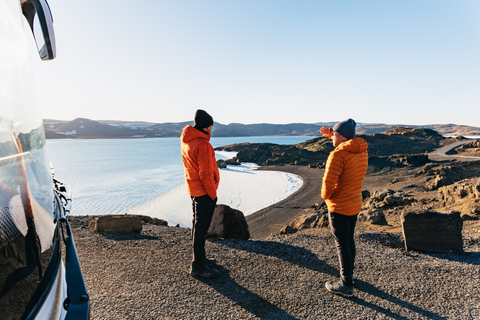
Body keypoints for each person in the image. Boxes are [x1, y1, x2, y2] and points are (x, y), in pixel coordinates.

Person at [320, 118, 368, 297]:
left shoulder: (337, 155)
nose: (332, 137)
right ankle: (349, 277)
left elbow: (327, 186)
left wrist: (326, 197)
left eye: (334, 135)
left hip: (339, 205)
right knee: (348, 240)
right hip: (354, 203)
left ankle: (346, 285)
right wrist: (332, 133)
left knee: (342, 244)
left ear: (341, 137)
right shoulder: (360, 151)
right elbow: (344, 144)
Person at [180, 109, 220, 278]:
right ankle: (198, 267)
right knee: (200, 229)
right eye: (211, 124)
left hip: (193, 189)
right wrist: (212, 194)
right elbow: (205, 174)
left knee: (197, 226)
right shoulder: (203, 144)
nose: (212, 127)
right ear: (206, 126)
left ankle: (200, 259)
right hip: (204, 192)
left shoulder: (187, 141)